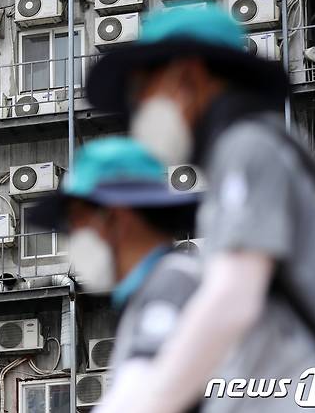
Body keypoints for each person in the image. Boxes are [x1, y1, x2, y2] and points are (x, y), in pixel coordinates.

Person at [86, 4, 315, 412]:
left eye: (146, 91)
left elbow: (232, 298)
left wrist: (150, 404)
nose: (139, 110)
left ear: (188, 76)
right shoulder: (253, 151)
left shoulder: (248, 146)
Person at [29, 136, 201, 408]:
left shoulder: (174, 284)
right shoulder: (147, 293)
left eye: (77, 222)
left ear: (118, 217)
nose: (71, 238)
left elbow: (143, 394)